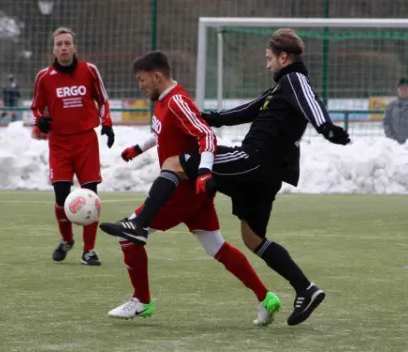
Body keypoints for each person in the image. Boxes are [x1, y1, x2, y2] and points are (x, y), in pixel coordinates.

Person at [100, 28, 351, 326]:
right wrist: (211, 117)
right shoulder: (278, 89)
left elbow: (309, 99)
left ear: (284, 57)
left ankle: (137, 229)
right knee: (252, 238)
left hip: (254, 160)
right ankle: (304, 288)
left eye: (269, 58)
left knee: (175, 163)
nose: (267, 64)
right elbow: (249, 110)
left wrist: (328, 128)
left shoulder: (294, 78)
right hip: (265, 174)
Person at [106, 51, 281, 325]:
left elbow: (206, 134)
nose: (140, 86)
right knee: (217, 248)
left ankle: (141, 301)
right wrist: (138, 148)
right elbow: (163, 131)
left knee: (129, 235)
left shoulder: (176, 101)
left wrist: (204, 171)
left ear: (156, 76)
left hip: (180, 191)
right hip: (191, 193)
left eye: (142, 80)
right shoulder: (164, 101)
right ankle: (266, 297)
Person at [30, 27, 115, 265]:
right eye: (59, 44)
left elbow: (103, 99)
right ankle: (67, 240)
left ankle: (89, 251)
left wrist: (107, 124)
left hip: (86, 141)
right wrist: (41, 120)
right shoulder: (44, 77)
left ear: (74, 47)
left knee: (91, 196)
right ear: (53, 49)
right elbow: (36, 106)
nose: (64, 48)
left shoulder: (89, 71)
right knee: (61, 196)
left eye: (67, 43)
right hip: (59, 143)